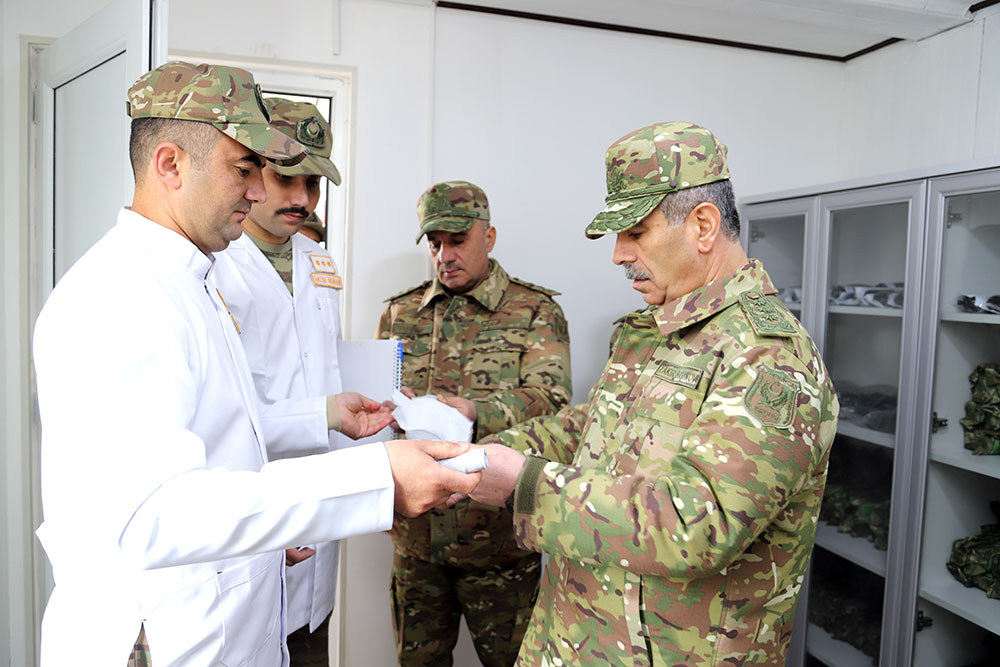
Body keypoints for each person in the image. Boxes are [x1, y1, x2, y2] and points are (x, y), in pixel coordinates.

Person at [31, 61, 480, 667]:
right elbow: (148, 517)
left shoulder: (192, 279)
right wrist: (377, 478)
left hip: (221, 617)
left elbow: (223, 433)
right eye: (244, 169)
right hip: (161, 640)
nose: (260, 191)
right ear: (171, 165)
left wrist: (273, 529)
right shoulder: (121, 297)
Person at [463, 122, 840, 665]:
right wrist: (476, 451)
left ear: (704, 226)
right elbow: (593, 428)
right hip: (571, 642)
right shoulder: (656, 329)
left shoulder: (767, 357)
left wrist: (526, 486)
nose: (618, 255)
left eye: (635, 232)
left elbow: (697, 523)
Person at [376, 180, 572, 666]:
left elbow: (552, 403)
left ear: (489, 237)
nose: (445, 255)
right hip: (418, 541)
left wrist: (475, 412)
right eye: (434, 243)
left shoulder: (535, 311)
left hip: (499, 541)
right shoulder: (400, 313)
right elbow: (378, 408)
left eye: (458, 240)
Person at [211, 97, 361, 666]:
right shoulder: (214, 263)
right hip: (249, 511)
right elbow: (221, 417)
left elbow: (326, 368)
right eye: (285, 178)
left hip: (317, 516)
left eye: (313, 184)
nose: (302, 199)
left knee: (309, 641)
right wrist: (323, 414)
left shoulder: (319, 261)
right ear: (252, 171)